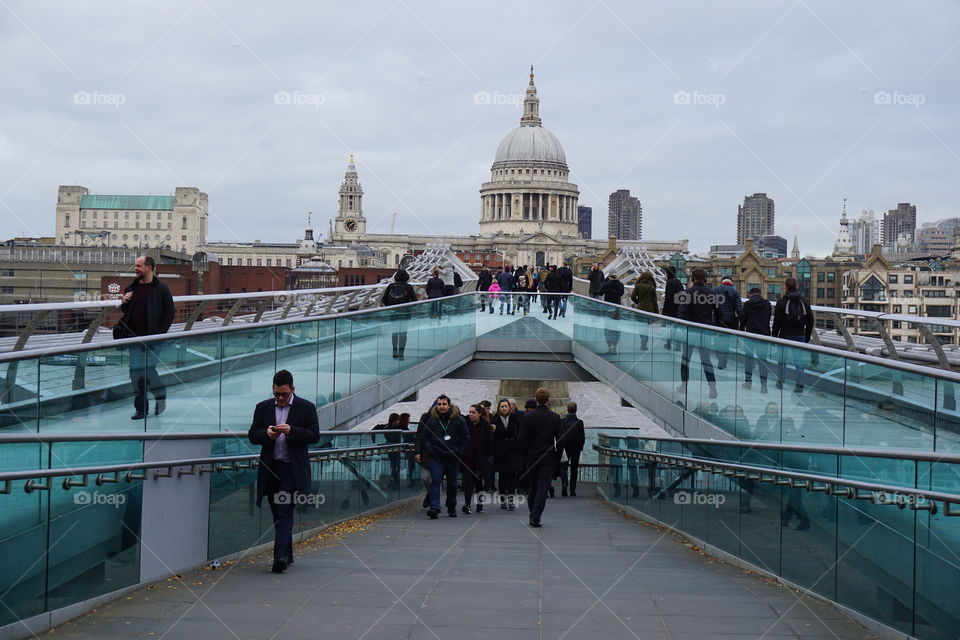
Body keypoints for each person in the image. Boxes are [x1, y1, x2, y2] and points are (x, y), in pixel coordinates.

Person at [248, 370, 320, 573]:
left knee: (283, 510)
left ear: (292, 390)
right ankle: (287, 554)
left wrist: (292, 431)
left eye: (284, 394)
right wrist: (267, 434)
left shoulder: (306, 407)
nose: (280, 398)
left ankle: (279, 557)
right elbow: (253, 434)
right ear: (273, 389)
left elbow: (314, 435)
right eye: (277, 394)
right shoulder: (262, 408)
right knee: (276, 511)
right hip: (271, 469)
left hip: (292, 469)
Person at [117, 255, 175, 420]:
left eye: (138, 266)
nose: (135, 269)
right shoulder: (131, 287)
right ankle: (141, 409)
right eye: (135, 266)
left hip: (153, 339)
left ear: (149, 268)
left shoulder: (161, 288)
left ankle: (160, 394)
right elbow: (126, 312)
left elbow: (170, 312)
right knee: (135, 374)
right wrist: (124, 301)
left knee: (148, 371)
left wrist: (159, 335)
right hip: (133, 338)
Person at [419, 395, 470, 519]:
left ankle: (451, 506)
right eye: (439, 404)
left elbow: (466, 438)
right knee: (436, 480)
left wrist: (460, 452)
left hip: (453, 456)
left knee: (452, 483)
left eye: (444, 404)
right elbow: (424, 438)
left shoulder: (459, 420)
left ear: (449, 405)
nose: (441, 407)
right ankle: (434, 507)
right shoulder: (432, 420)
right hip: (437, 456)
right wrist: (430, 450)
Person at [518, 387, 561, 527]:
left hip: (532, 455)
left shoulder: (527, 417)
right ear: (548, 400)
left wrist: (525, 454)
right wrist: (557, 456)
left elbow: (522, 439)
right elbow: (561, 440)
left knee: (533, 487)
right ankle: (536, 516)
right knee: (543, 486)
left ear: (535, 400)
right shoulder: (555, 417)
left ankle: (532, 513)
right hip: (548, 456)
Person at [677, 267, 720, 399]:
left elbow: (681, 313)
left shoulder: (687, 292)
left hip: (690, 331)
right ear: (706, 278)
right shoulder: (712, 293)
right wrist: (715, 328)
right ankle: (712, 388)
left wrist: (680, 327)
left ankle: (684, 386)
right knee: (706, 361)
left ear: (692, 279)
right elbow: (719, 314)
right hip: (706, 331)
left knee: (686, 360)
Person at [772, 277, 815, 393]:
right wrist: (806, 336)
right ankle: (800, 385)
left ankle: (780, 382)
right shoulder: (804, 301)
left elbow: (776, 322)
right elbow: (811, 320)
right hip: (800, 335)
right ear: (796, 286)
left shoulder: (781, 301)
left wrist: (774, 337)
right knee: (799, 362)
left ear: (785, 286)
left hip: (784, 335)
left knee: (782, 360)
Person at [490, 399, 522, 510]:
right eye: (502, 406)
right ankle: (503, 500)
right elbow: (491, 437)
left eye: (506, 406)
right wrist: (494, 449)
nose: (504, 408)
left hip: (513, 451)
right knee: (502, 477)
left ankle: (511, 501)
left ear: (510, 408)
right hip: (500, 451)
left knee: (512, 477)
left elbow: (520, 434)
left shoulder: (516, 419)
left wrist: (518, 448)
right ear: (499, 408)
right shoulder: (494, 420)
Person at [740, 287, 772, 392]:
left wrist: (741, 332)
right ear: (760, 293)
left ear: (750, 294)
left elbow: (743, 320)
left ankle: (748, 382)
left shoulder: (748, 304)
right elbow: (767, 318)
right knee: (763, 360)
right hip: (764, 335)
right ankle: (764, 385)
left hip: (750, 334)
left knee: (748, 359)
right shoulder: (767, 304)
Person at [461, 404, 492, 514]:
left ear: (479, 414)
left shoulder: (485, 426)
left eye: (473, 412)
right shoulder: (465, 424)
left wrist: (486, 456)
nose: (471, 414)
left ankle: (480, 505)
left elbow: (489, 443)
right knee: (468, 482)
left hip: (480, 458)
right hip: (467, 457)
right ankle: (467, 504)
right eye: (470, 412)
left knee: (479, 483)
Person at [381, 269, 417, 359]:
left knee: (395, 332)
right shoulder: (409, 287)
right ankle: (401, 353)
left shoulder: (391, 286)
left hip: (393, 313)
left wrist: (391, 307)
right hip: (405, 314)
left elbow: (384, 300)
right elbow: (414, 302)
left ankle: (394, 351)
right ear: (406, 277)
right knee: (403, 333)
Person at [713, 277, 742, 369]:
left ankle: (719, 356)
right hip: (730, 321)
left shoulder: (716, 290)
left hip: (718, 320)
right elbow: (739, 308)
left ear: (722, 282)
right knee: (726, 342)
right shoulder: (735, 292)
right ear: (731, 283)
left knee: (717, 339)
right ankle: (723, 359)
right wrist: (742, 321)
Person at [557, 402, 585, 497]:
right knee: (574, 469)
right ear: (576, 410)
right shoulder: (579, 422)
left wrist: (560, 447)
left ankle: (564, 483)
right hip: (576, 449)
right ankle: (572, 490)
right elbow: (582, 437)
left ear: (567, 410)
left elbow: (559, 435)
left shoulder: (562, 421)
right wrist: (580, 448)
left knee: (563, 468)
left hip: (565, 448)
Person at [372, 413, 403, 488]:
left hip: (393, 449)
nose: (399, 422)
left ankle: (394, 482)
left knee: (394, 466)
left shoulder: (387, 427)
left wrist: (374, 438)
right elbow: (392, 438)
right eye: (398, 420)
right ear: (394, 420)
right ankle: (395, 482)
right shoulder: (392, 428)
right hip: (394, 449)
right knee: (395, 466)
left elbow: (376, 428)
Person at [630, 271, 659, 350]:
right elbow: (655, 301)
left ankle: (642, 341)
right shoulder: (652, 287)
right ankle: (644, 344)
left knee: (642, 327)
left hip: (641, 309)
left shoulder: (638, 286)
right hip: (650, 309)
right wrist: (657, 313)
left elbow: (632, 297)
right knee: (647, 327)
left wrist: (638, 302)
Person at [599, 273, 625, 354]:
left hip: (608, 307)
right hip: (617, 308)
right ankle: (615, 347)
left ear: (609, 276)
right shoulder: (621, 284)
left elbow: (600, 293)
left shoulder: (607, 284)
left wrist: (605, 282)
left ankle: (610, 347)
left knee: (608, 328)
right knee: (616, 328)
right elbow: (621, 293)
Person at [662, 266, 684, 350]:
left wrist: (664, 311)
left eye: (665, 273)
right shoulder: (678, 282)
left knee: (670, 328)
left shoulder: (669, 282)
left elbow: (668, 298)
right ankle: (677, 345)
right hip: (678, 308)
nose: (665, 274)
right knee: (677, 328)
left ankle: (669, 344)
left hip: (671, 309)